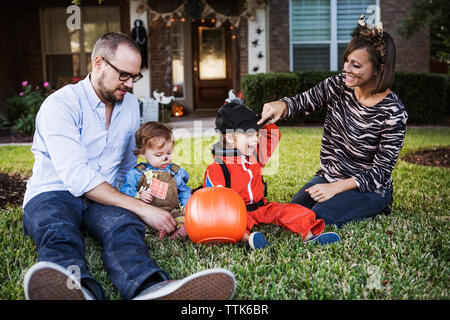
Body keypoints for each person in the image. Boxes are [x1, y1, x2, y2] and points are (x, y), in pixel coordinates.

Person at [21, 32, 235, 300]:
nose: (130, 84)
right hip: (54, 192)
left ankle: (149, 288)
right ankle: (76, 291)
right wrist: (142, 208)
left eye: (135, 76)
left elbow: (127, 165)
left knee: (124, 227)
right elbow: (77, 178)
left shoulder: (131, 104)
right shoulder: (60, 105)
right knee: (58, 230)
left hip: (105, 194)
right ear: (98, 63)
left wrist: (139, 196)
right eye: (124, 75)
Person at [257, 15, 408, 228]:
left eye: (355, 65)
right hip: (330, 176)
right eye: (346, 60)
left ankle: (379, 204)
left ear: (379, 69)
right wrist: (281, 106)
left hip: (369, 188)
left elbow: (380, 173)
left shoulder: (393, 112)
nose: (346, 69)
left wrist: (335, 189)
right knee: (291, 214)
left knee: (318, 219)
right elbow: (303, 102)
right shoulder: (339, 85)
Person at [203, 102, 341, 249]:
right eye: (249, 135)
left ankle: (311, 237)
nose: (256, 140)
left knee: (293, 211)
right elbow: (214, 201)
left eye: (256, 135)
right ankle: (249, 241)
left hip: (263, 207)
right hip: (238, 213)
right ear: (230, 138)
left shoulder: (255, 156)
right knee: (231, 225)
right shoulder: (217, 167)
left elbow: (272, 135)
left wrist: (262, 120)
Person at [120, 121, 190, 239]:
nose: (166, 158)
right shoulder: (137, 173)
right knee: (133, 222)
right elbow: (126, 190)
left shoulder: (175, 172)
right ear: (143, 153)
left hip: (172, 212)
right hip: (146, 213)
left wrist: (187, 205)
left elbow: (184, 190)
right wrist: (138, 195)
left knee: (184, 221)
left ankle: (175, 232)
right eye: (159, 155)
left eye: (169, 152)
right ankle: (156, 231)